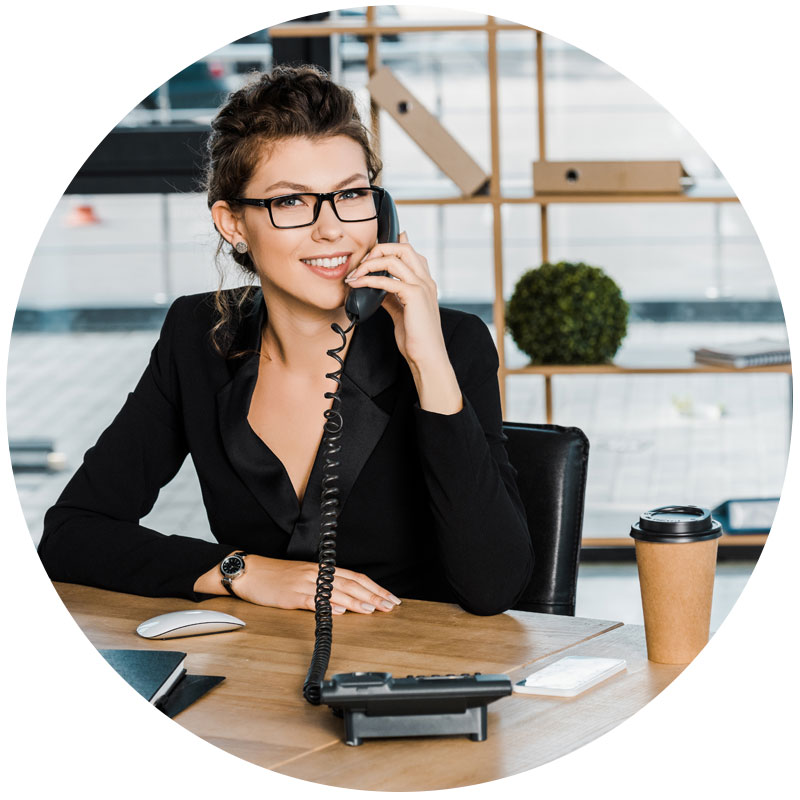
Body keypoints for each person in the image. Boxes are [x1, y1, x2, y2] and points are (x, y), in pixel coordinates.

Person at [38, 65, 534, 617]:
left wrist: (427, 362)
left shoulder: (451, 343)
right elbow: (71, 534)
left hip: (415, 677)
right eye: (291, 202)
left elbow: (494, 587)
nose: (331, 230)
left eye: (351, 195)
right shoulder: (197, 338)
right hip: (259, 671)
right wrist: (240, 571)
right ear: (232, 223)